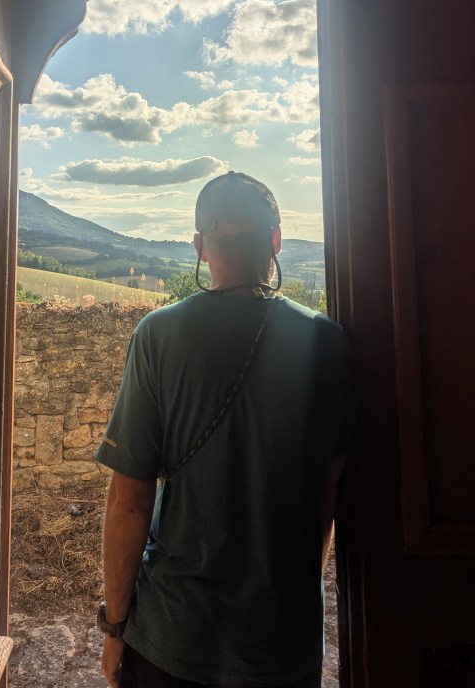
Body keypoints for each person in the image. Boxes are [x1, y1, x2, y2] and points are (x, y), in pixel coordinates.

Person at [95, 172, 357, 688]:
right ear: (276, 241)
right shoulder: (327, 342)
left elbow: (129, 501)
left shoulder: (157, 335)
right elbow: (328, 493)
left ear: (200, 247)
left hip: (173, 634)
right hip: (281, 640)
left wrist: (115, 627)